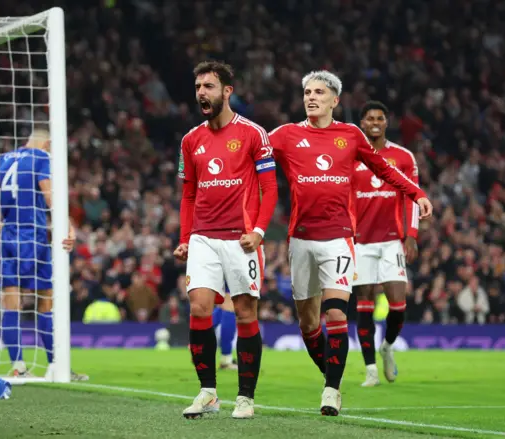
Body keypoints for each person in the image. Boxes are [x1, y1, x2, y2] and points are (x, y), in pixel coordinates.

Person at [268, 71, 432, 416]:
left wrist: (416, 194)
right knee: (309, 324)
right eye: (307, 92)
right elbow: (252, 155)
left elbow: (385, 169)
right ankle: (331, 374)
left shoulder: (350, 135)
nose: (311, 97)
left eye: (319, 93)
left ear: (335, 100)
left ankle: (331, 390)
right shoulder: (285, 136)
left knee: (335, 313)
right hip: (300, 239)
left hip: (340, 238)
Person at [174, 61, 278, 419]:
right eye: (198, 86)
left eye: (209, 86)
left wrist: (259, 232)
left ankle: (246, 396)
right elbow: (188, 194)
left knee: (246, 313)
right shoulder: (190, 140)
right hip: (203, 237)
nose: (202, 92)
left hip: (241, 239)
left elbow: (269, 187)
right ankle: (208, 392)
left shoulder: (253, 134)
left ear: (227, 91)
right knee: (200, 308)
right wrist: (185, 238)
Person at [0, 128, 88, 381]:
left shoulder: (3, 159)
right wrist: (67, 226)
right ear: (48, 143)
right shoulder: (41, 158)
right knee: (46, 300)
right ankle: (56, 365)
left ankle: (18, 366)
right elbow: (49, 195)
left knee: (11, 303)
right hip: (33, 236)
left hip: (8, 237)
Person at [353, 101, 420, 387]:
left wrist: (412, 235)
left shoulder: (402, 157)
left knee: (398, 304)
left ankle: (388, 346)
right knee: (363, 304)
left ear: (386, 122)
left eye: (380, 118)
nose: (376, 122)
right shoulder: (351, 157)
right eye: (370, 118)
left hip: (392, 240)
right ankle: (370, 370)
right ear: (362, 123)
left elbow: (413, 196)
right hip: (360, 242)